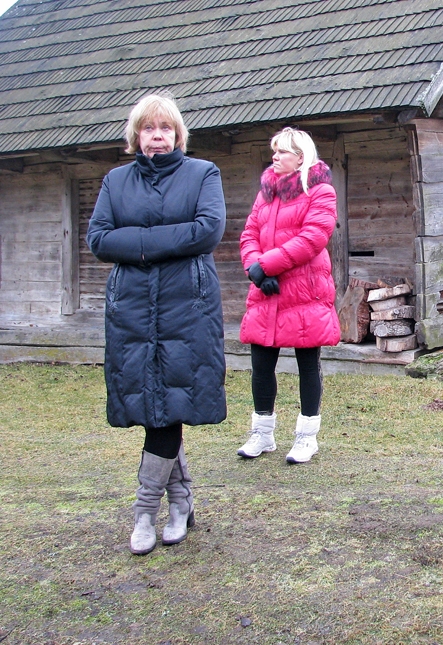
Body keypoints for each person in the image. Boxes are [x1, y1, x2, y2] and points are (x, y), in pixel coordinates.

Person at [87, 92, 227, 556]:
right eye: (149, 128)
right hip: (130, 310)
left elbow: (207, 230)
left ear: (178, 134)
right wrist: (166, 242)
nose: (158, 136)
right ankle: (181, 502)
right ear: (136, 136)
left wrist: (140, 243)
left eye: (166, 128)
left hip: (187, 308)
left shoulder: (202, 173)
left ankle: (145, 510)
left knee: (167, 406)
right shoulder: (115, 180)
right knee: (157, 406)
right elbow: (100, 239)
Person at [237, 127, 340, 464]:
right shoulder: (266, 192)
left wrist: (266, 265)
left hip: (305, 291)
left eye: (282, 151)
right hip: (267, 291)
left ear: (300, 156)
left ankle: (307, 438)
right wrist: (255, 268)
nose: (275, 157)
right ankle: (262, 434)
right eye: (274, 151)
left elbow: (313, 238)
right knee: (260, 365)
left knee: (307, 364)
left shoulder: (321, 190)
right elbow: (250, 232)